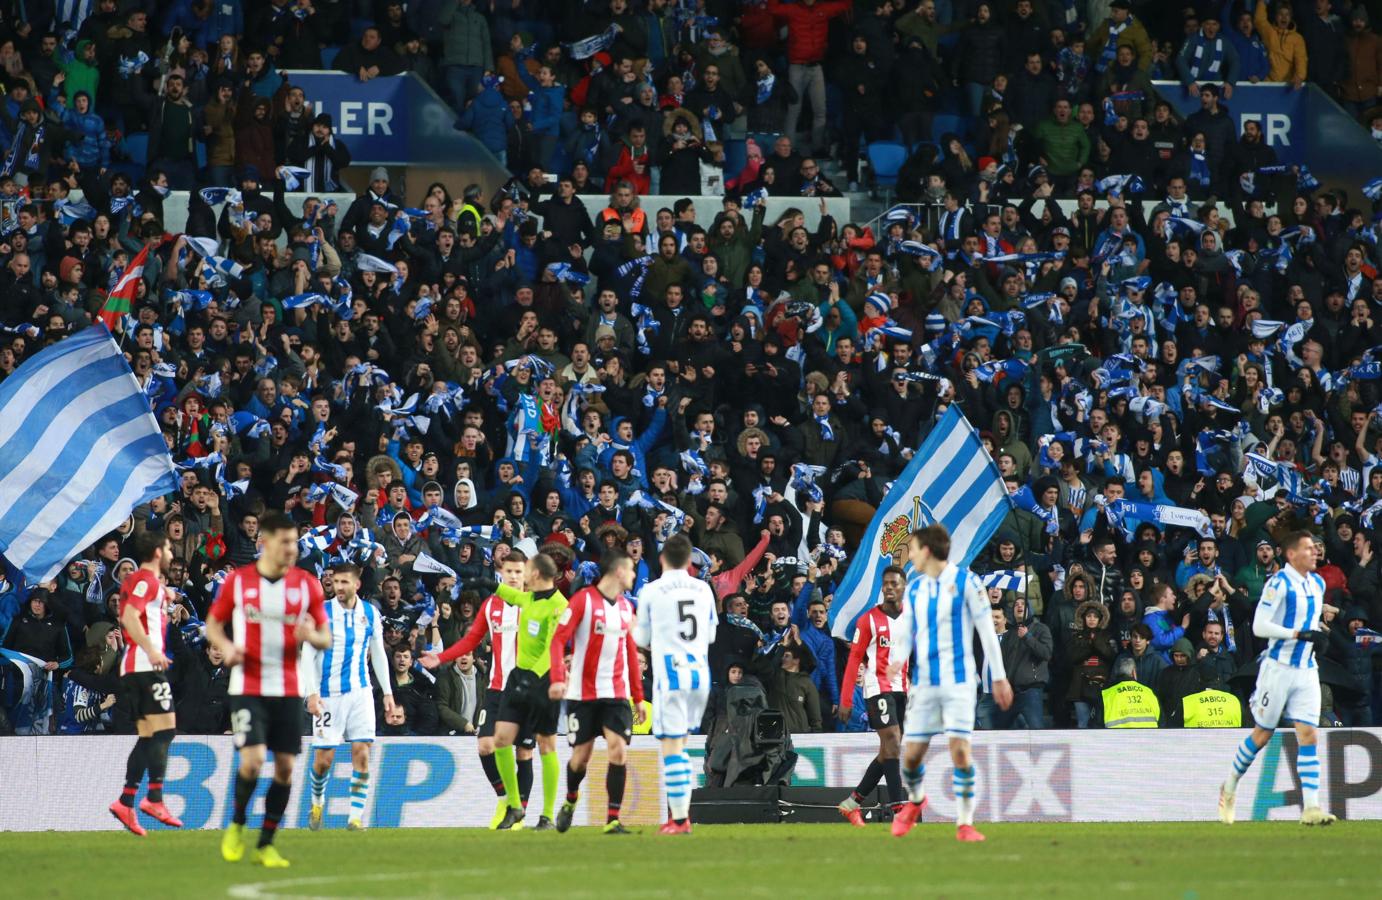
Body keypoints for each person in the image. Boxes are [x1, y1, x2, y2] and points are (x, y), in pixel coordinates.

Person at [207, 512, 330, 867]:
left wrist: (312, 636)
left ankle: (266, 844)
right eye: (285, 542)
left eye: (295, 542)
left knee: (285, 768)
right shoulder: (239, 582)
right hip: (247, 684)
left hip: (289, 687)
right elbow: (213, 624)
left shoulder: (307, 584)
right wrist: (227, 647)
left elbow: (325, 635)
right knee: (253, 761)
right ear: (265, 542)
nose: (293, 549)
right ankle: (237, 823)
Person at [889, 525, 1012, 842]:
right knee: (911, 756)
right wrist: (897, 661)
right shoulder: (915, 589)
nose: (910, 555)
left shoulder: (967, 582)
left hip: (959, 682)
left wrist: (998, 676)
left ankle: (965, 823)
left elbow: (986, 630)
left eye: (913, 548)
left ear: (926, 551)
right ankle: (916, 801)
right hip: (925, 684)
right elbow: (906, 632)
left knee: (960, 749)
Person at [1218, 531, 1336, 826]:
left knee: (1309, 734)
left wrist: (1320, 632)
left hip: (1307, 669)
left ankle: (1311, 808)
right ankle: (1229, 786)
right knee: (1263, 734)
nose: (1314, 552)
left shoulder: (1318, 583)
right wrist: (1299, 634)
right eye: (1308, 548)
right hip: (1278, 668)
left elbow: (1308, 620)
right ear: (1291, 554)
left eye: (1315, 548)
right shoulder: (1278, 583)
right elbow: (1259, 626)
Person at [422, 553, 540, 828]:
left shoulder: (535, 604)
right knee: (485, 746)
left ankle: (519, 813)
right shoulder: (491, 605)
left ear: (527, 574)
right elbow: (472, 639)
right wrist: (441, 657)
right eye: (508, 571)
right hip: (497, 689)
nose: (513, 576)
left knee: (523, 753)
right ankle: (504, 799)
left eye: (518, 571)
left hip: (528, 691)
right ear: (501, 572)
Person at [546, 549, 644, 834]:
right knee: (581, 758)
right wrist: (557, 678)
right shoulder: (582, 601)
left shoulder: (626, 608)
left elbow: (630, 652)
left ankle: (612, 818)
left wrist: (637, 696)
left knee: (618, 750)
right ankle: (570, 800)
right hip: (582, 694)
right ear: (618, 571)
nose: (634, 575)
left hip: (615, 694)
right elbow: (557, 641)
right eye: (631, 569)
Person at [633, 534, 718, 835]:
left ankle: (680, 819)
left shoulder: (652, 590)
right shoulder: (704, 589)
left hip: (670, 674)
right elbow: (710, 636)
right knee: (681, 745)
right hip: (700, 674)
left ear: (662, 558)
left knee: (672, 749)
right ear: (689, 560)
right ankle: (678, 816)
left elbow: (640, 640)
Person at [302, 564, 395, 832]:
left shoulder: (369, 613)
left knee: (362, 753)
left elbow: (378, 653)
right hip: (327, 696)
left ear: (356, 583)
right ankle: (317, 802)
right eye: (336, 581)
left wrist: (387, 693)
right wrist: (311, 693)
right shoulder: (321, 613)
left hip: (361, 692)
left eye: (344, 582)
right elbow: (307, 655)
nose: (339, 586)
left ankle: (355, 818)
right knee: (324, 760)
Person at [477, 552, 567, 831]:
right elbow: (509, 593)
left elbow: (554, 647)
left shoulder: (560, 606)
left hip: (544, 684)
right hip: (517, 681)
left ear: (536, 574)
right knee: (500, 740)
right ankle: (514, 805)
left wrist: (534, 677)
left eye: (526, 571)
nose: (522, 575)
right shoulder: (528, 599)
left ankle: (547, 815)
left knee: (545, 746)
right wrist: (482, 581)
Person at [107, 530, 182, 836]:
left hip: (138, 667)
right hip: (144, 664)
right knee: (166, 730)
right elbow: (128, 616)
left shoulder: (151, 584)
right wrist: (151, 650)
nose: (172, 555)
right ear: (157, 553)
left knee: (151, 735)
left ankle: (126, 801)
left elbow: (149, 603)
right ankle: (153, 799)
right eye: (168, 549)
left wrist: (168, 596)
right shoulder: (145, 579)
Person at [836, 565, 908, 825]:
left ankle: (852, 802)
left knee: (888, 750)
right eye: (885, 583)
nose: (889, 587)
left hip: (903, 688)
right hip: (876, 686)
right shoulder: (868, 620)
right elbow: (854, 658)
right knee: (893, 740)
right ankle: (899, 809)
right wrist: (845, 699)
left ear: (903, 587)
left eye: (894, 584)